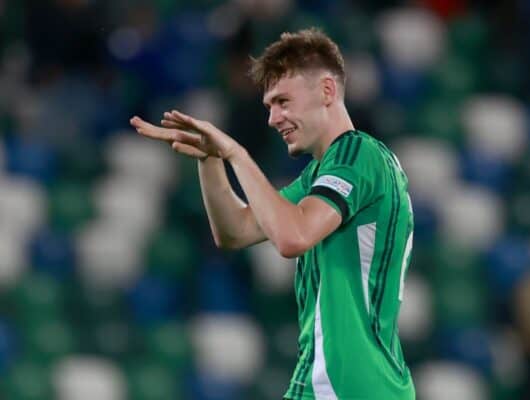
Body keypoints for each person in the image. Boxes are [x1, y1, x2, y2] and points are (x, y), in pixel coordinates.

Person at [130, 27, 415, 400]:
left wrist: (236, 154)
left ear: (327, 91)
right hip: (324, 380)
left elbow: (292, 237)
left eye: (283, 101)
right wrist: (211, 160)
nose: (273, 118)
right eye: (269, 106)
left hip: (355, 386)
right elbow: (236, 231)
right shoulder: (321, 174)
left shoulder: (357, 155)